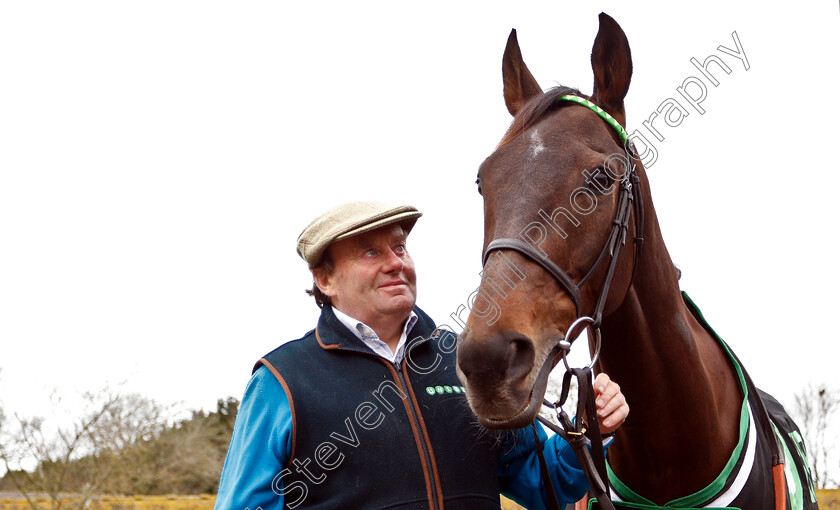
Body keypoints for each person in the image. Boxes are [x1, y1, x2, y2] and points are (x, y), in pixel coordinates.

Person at [215, 201, 629, 510]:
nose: (396, 263)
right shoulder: (282, 379)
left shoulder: (465, 359)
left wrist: (591, 425)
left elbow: (547, 484)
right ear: (324, 279)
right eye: (371, 253)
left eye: (400, 247)